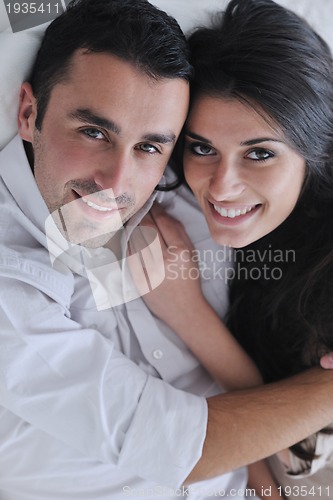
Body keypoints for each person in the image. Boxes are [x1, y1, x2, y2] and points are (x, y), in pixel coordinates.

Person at [1, 0, 333, 499]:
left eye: (151, 146)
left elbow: (288, 463)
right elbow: (177, 445)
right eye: (94, 132)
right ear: (28, 113)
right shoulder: (14, 281)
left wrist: (189, 313)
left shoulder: (193, 207)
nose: (116, 180)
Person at [137, 0, 333, 498]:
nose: (222, 188)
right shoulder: (167, 194)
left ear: (317, 152)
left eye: (260, 153)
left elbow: (299, 455)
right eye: (203, 148)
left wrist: (187, 311)